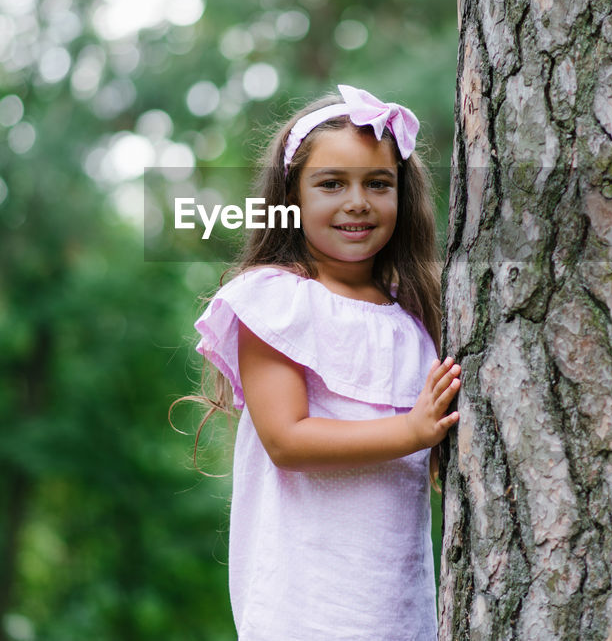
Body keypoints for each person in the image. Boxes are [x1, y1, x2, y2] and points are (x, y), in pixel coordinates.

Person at [178, 84, 461, 640]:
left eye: (378, 184)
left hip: (394, 599)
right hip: (305, 600)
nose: (357, 201)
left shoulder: (415, 316)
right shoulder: (276, 301)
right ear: (291, 199)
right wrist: (412, 430)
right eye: (331, 184)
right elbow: (288, 440)